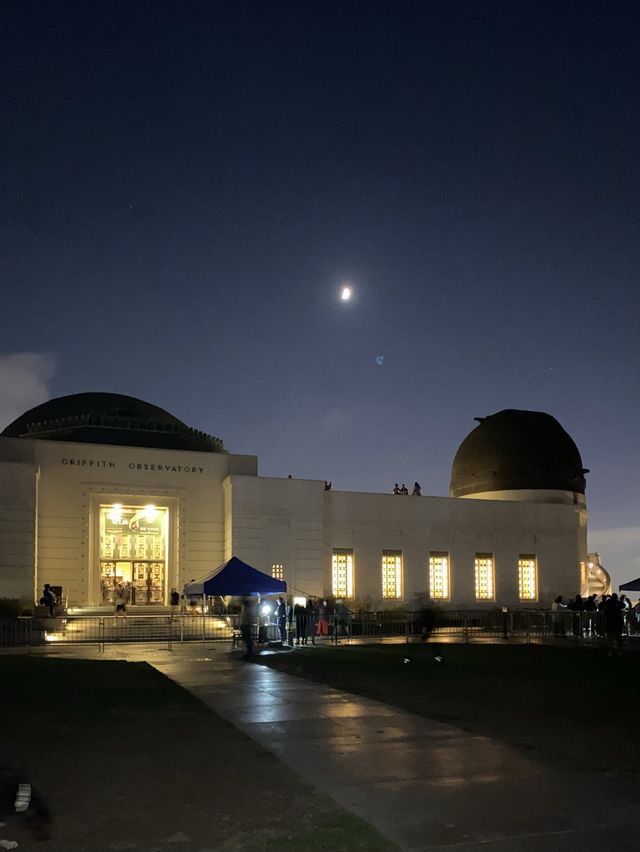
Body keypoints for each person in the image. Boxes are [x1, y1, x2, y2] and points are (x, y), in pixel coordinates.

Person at [604, 593, 624, 657]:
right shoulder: (618, 604)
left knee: (610, 638)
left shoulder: (608, 603)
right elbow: (623, 605)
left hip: (609, 623)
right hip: (617, 623)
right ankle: (619, 651)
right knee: (618, 638)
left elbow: (605, 612)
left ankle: (610, 651)